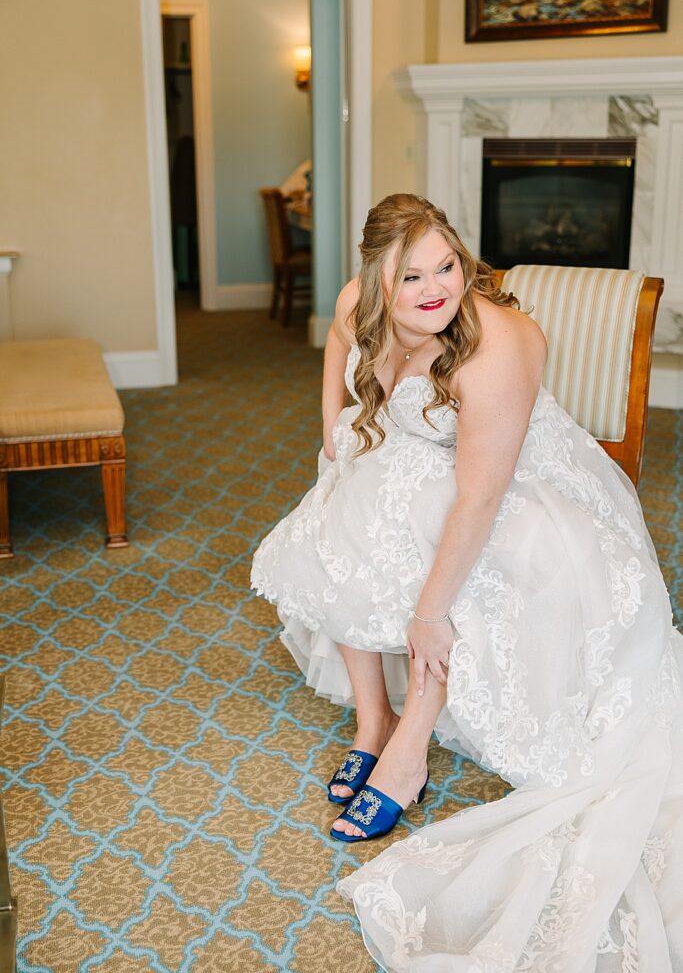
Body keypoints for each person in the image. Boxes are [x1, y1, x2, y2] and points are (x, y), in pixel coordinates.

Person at [251, 194, 682, 971]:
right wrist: (333, 445)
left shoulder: (499, 342)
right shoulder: (358, 301)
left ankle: (409, 743)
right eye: (410, 276)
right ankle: (370, 725)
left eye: (446, 264)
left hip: (523, 499)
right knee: (340, 517)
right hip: (422, 462)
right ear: (376, 280)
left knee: (441, 580)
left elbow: (481, 493)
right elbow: (337, 362)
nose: (434, 289)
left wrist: (429, 613)